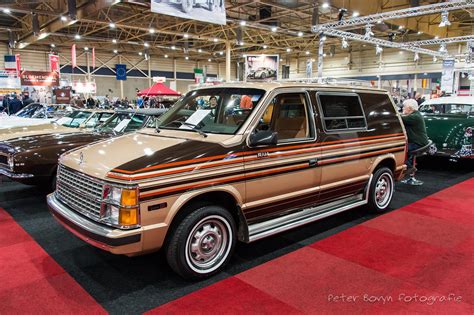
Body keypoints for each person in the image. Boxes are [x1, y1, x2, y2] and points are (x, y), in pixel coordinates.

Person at [401, 99, 429, 173]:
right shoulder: (415, 115)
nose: (403, 108)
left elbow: (400, 118)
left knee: (401, 149)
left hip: (418, 143)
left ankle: (409, 166)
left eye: (404, 107)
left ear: (410, 108)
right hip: (418, 141)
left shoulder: (415, 116)